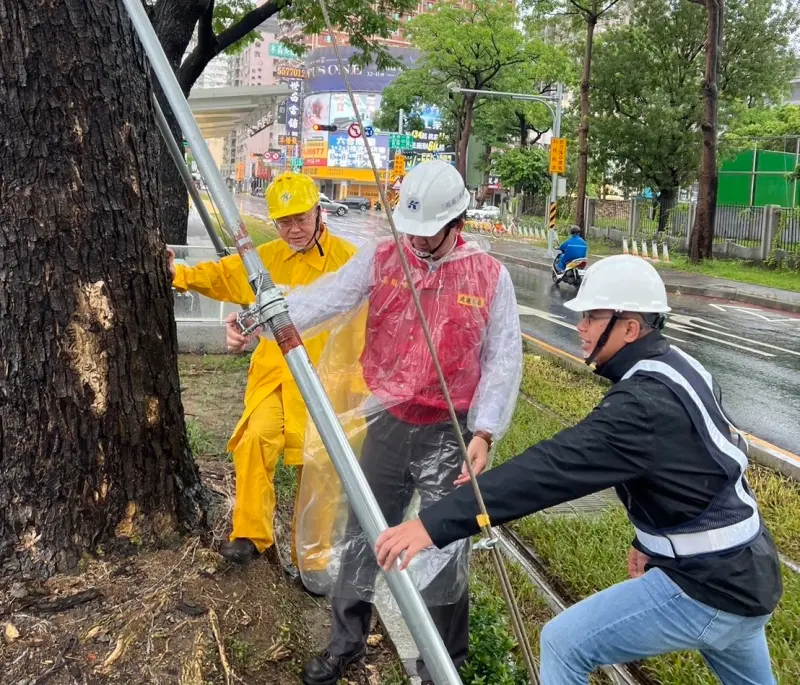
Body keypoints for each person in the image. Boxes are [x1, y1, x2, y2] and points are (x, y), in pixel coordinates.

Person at [375, 254, 783, 685]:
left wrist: (433, 524)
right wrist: (654, 542)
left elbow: (548, 471)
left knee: (563, 643)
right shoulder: (679, 367)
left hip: (708, 585)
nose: (580, 328)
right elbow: (704, 465)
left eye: (591, 317)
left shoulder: (640, 406)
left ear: (629, 327)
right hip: (750, 570)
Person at [226, 159, 523, 685]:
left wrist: (484, 431)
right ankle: (346, 644)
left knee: (446, 546)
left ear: (458, 224)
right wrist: (258, 318)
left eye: (430, 234)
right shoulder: (385, 257)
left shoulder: (489, 277)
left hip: (450, 430)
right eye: (411, 231)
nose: (419, 243)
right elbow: (327, 297)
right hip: (387, 420)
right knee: (364, 532)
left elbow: (502, 358)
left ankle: (443, 662)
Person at [169, 172, 357, 570]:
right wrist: (179, 274)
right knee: (255, 438)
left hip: (326, 383)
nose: (292, 229)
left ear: (318, 213)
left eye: (300, 219)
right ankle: (251, 534)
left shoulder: (347, 261)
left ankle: (313, 556)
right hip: (274, 376)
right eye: (283, 221)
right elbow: (223, 275)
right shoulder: (264, 260)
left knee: (320, 466)